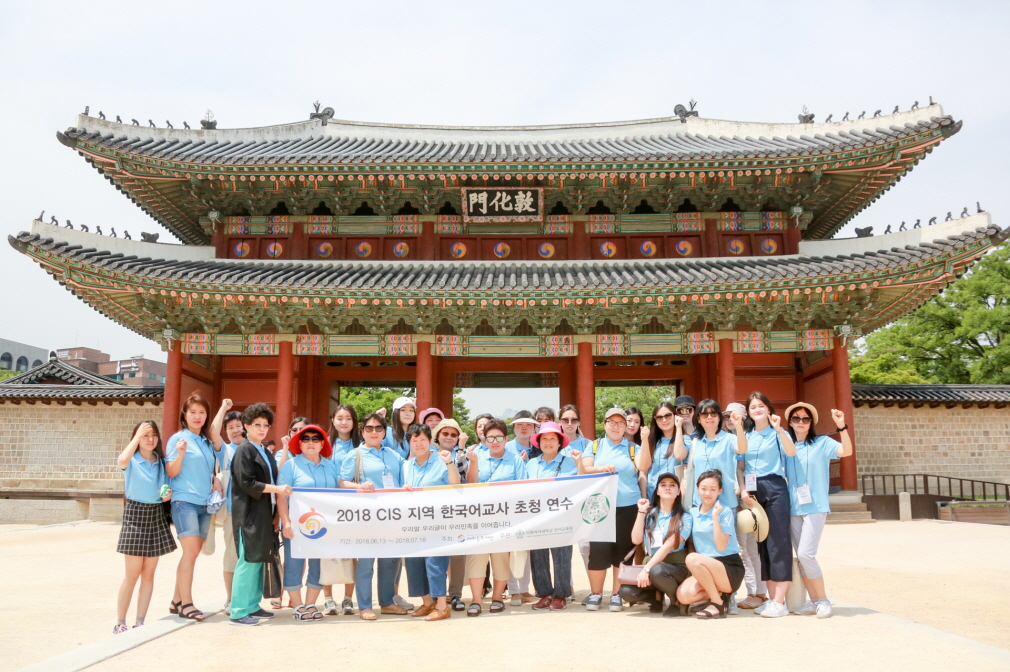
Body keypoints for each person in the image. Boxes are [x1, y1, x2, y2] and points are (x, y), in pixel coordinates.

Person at [731, 392, 797, 619]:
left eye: (761, 406)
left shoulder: (778, 432)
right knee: (762, 545)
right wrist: (744, 490)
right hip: (752, 489)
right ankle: (770, 600)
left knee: (778, 542)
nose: (757, 409)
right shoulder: (746, 434)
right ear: (747, 412)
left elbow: (791, 452)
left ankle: (780, 602)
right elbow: (740, 466)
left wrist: (779, 429)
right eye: (753, 407)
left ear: (768, 409)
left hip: (775, 485)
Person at [785, 403, 852, 618]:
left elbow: (846, 451)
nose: (801, 422)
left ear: (811, 422)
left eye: (805, 419)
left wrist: (841, 426)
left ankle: (822, 600)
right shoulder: (786, 445)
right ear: (790, 422)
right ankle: (813, 602)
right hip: (794, 507)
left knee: (806, 554)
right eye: (796, 418)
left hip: (816, 505)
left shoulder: (822, 442)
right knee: (801, 556)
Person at [339, 413, 408, 620]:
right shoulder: (355, 454)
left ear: (384, 432)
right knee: (366, 562)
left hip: (392, 516)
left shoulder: (393, 455)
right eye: (369, 428)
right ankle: (365, 605)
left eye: (378, 428)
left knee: (389, 562)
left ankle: (386, 602)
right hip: (367, 516)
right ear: (362, 432)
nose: (374, 432)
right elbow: (342, 482)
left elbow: (403, 478)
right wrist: (359, 486)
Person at [229, 403, 292, 626]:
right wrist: (277, 490)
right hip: (248, 514)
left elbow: (273, 478)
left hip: (263, 514)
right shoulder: (244, 450)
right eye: (257, 424)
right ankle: (237, 611)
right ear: (246, 425)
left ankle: (252, 606)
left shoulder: (264, 450)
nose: (262, 429)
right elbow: (247, 483)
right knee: (247, 561)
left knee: (259, 559)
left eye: (266, 425)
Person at [165, 393, 224, 621]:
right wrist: (179, 453)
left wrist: (215, 480)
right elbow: (171, 472)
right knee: (189, 552)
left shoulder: (206, 442)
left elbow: (208, 470)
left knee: (194, 553)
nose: (197, 416)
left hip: (204, 504)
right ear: (185, 415)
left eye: (201, 412)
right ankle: (186, 604)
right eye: (193, 412)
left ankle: (176, 599)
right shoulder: (177, 439)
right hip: (184, 502)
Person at [114, 420, 175, 634]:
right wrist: (136, 436)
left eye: (153, 435)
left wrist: (167, 496)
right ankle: (120, 622)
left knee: (149, 574)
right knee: (132, 574)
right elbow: (121, 460)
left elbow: (166, 490)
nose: (150, 439)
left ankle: (140, 621)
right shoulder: (131, 460)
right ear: (137, 438)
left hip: (155, 515)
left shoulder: (161, 462)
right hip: (134, 515)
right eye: (145, 435)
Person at [464, 418, 528, 616]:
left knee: (501, 558)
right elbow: (471, 482)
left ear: (505, 438)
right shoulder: (477, 457)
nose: (495, 441)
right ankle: (476, 600)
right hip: (480, 517)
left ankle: (498, 597)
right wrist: (473, 463)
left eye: (499, 437)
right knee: (477, 557)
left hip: (505, 518)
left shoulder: (516, 459)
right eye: (490, 437)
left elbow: (523, 486)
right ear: (484, 439)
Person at [581, 407, 642, 612]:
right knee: (598, 551)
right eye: (611, 422)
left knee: (622, 552)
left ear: (626, 426)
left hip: (628, 505)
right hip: (600, 506)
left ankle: (616, 594)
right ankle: (596, 593)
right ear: (605, 424)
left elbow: (644, 469)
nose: (616, 427)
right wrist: (601, 468)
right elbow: (583, 470)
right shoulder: (595, 446)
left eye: (620, 423)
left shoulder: (634, 448)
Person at [277, 424, 340, 621]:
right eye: (306, 439)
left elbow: (340, 488)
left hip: (324, 526)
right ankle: (297, 605)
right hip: (296, 525)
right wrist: (285, 522)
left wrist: (362, 487)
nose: (310, 442)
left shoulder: (330, 466)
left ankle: (311, 603)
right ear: (299, 444)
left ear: (323, 444)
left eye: (315, 439)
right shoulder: (290, 466)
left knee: (318, 564)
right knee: (294, 562)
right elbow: (281, 497)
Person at [402, 424, 460, 621]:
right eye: (414, 440)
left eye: (422, 440)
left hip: (438, 521)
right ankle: (427, 602)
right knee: (414, 562)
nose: (418, 444)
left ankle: (442, 606)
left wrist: (449, 463)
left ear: (430, 441)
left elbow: (455, 483)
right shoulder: (408, 464)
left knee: (435, 563)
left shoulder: (441, 460)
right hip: (415, 521)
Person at [526, 421, 584, 611]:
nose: (548, 442)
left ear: (560, 443)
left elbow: (582, 483)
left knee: (562, 557)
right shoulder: (531, 463)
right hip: (537, 517)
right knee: (538, 557)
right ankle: (544, 593)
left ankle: (560, 595)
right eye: (544, 438)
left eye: (553, 438)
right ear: (538, 442)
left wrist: (579, 463)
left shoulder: (569, 462)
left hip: (562, 516)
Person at [620, 472, 692, 617]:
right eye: (663, 485)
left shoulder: (685, 517)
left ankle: (675, 601)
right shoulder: (651, 514)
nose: (667, 488)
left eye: (672, 486)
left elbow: (668, 546)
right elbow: (636, 540)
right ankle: (656, 598)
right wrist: (641, 512)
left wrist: (647, 569)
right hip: (653, 563)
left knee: (657, 571)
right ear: (657, 491)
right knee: (626, 591)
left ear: (678, 492)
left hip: (676, 566)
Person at [675, 469, 745, 619]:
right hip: (705, 568)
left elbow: (721, 547)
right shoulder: (692, 513)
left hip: (728, 567)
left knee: (692, 558)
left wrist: (715, 517)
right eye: (704, 489)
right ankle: (720, 595)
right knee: (683, 596)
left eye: (713, 489)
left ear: (720, 491)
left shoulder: (724, 512)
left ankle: (717, 603)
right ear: (697, 489)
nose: (708, 493)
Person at [724, 401, 766, 610]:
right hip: (740, 494)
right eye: (727, 417)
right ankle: (758, 591)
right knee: (748, 548)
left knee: (746, 548)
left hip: (747, 496)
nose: (730, 420)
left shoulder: (748, 438)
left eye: (735, 416)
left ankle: (755, 592)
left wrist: (742, 493)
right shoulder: (728, 439)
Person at [322, 404, 359, 615]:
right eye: (340, 418)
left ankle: (347, 599)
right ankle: (328, 598)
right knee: (327, 551)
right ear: (333, 420)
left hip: (352, 505)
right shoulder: (324, 444)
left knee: (352, 552)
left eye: (348, 418)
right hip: (328, 505)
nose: (344, 422)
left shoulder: (360, 445)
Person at [382, 397, 417, 611]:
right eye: (402, 409)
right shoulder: (386, 432)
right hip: (389, 495)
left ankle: (394, 594)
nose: (407, 413)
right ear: (395, 412)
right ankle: (387, 596)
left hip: (409, 494)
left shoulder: (416, 433)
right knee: (389, 550)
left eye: (411, 409)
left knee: (401, 549)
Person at [210, 407, 245, 616]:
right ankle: (231, 599)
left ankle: (248, 598)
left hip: (253, 513)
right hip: (233, 511)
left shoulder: (256, 448)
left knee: (250, 557)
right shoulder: (226, 450)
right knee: (232, 556)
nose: (234, 430)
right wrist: (222, 408)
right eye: (230, 427)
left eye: (238, 426)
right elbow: (213, 432)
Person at [674, 399, 738, 510]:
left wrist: (739, 427)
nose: (709, 417)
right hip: (700, 503)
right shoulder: (696, 442)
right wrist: (678, 427)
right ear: (698, 419)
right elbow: (679, 455)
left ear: (719, 417)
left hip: (725, 502)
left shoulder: (730, 439)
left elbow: (741, 450)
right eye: (704, 414)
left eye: (713, 413)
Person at [505, 411, 537, 603]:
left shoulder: (539, 447)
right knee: (510, 548)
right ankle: (512, 589)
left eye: (528, 425)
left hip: (530, 505)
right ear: (514, 428)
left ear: (534, 428)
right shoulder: (507, 448)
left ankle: (524, 588)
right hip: (509, 505)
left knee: (526, 547)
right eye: (519, 425)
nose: (523, 428)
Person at [637, 401, 680, 500]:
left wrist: (679, 427)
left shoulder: (684, 440)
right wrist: (644, 497)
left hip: (675, 497)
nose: (664, 420)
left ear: (675, 415)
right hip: (653, 496)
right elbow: (643, 472)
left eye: (668, 415)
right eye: (659, 418)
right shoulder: (651, 442)